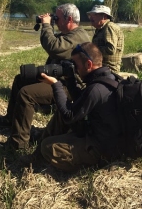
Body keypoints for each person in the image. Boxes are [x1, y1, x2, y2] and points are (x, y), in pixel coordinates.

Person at [0, 3, 91, 150]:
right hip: (57, 77)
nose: (55, 20)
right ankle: (11, 120)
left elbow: (54, 47)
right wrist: (49, 24)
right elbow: (53, 41)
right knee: (20, 79)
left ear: (69, 19)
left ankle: (18, 143)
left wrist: (47, 25)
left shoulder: (79, 36)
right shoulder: (69, 34)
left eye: (57, 18)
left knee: (27, 94)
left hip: (69, 86)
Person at [35, 42, 122, 172]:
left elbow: (69, 116)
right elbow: (81, 101)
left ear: (88, 64)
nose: (75, 69)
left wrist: (56, 85)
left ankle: (90, 166)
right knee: (60, 114)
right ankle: (36, 157)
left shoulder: (96, 89)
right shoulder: (108, 77)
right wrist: (70, 80)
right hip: (98, 132)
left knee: (47, 147)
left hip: (102, 149)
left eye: (76, 65)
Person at [87, 5, 124, 73]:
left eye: (94, 15)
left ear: (104, 16)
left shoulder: (109, 27)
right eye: (90, 15)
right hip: (102, 67)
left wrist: (92, 49)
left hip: (109, 69)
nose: (91, 18)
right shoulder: (101, 28)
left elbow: (110, 49)